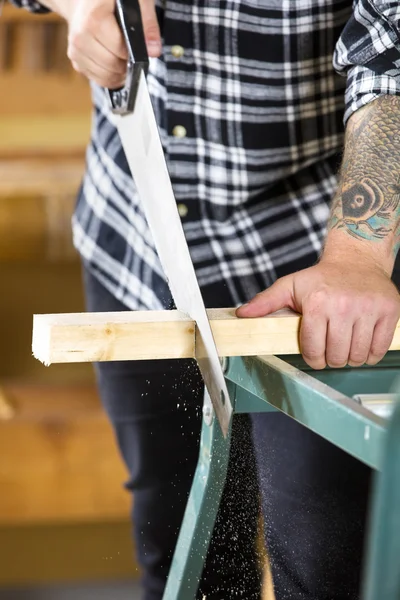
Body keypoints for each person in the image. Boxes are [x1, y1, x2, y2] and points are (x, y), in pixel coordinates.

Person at [11, 0, 400, 598]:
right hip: (138, 243)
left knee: (324, 570)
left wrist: (357, 254)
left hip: (315, 278)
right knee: (184, 559)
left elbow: (391, 51)